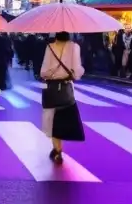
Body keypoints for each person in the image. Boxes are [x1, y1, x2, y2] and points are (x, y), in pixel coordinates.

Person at [40, 31, 85, 163]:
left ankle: (57, 150)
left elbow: (43, 72)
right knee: (65, 120)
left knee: (52, 121)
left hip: (52, 88)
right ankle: (59, 150)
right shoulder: (75, 47)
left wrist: (53, 72)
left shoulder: (50, 47)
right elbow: (77, 71)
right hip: (66, 89)